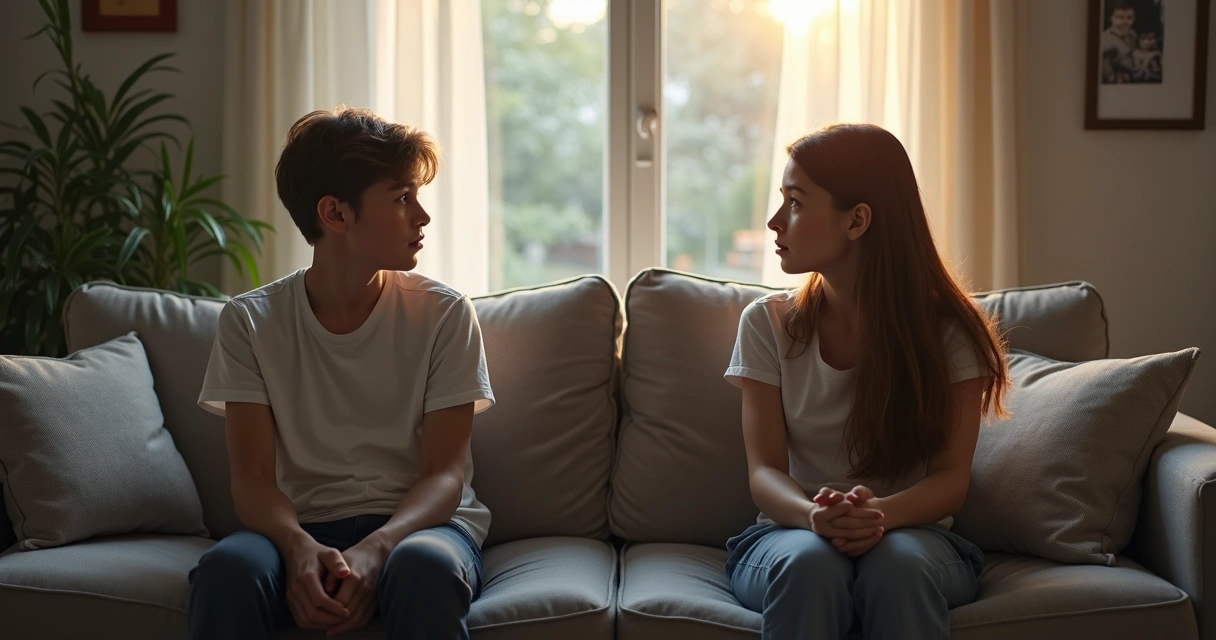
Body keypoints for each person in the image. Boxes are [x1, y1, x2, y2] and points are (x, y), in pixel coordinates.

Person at [188, 106, 495, 640]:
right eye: (402, 198)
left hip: (423, 530)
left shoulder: (444, 313)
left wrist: (379, 547)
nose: (421, 217)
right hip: (300, 528)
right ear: (335, 214)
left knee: (422, 568)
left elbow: (445, 475)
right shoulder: (250, 321)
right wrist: (298, 547)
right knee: (227, 572)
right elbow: (253, 480)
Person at [723, 123, 1010, 640]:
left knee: (895, 568)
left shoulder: (949, 331)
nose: (773, 221)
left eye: (795, 203)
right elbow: (764, 472)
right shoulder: (767, 323)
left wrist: (878, 515)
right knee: (811, 564)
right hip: (791, 532)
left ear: (856, 221)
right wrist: (815, 516)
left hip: (914, 536)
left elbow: (950, 481)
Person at [1101, 2, 1139, 83]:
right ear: (1111, 18)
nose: (1125, 21)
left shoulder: (1133, 34)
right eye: (1120, 17)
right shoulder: (1104, 40)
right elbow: (1105, 73)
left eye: (1129, 18)